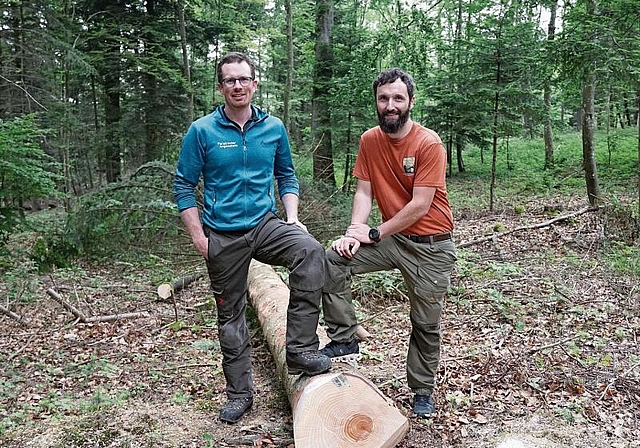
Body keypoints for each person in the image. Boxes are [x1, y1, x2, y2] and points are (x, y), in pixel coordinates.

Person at [174, 52, 331, 424]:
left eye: (244, 79)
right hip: (222, 236)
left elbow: (287, 176)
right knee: (230, 317)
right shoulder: (203, 131)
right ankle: (240, 395)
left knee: (310, 252)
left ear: (255, 83)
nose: (238, 86)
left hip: (264, 224)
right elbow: (183, 186)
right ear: (221, 87)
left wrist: (292, 218)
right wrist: (200, 238)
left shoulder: (273, 127)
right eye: (230, 80)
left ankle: (300, 350)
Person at [320, 68, 456, 418]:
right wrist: (355, 231)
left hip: (431, 245)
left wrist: (375, 232)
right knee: (331, 260)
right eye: (384, 98)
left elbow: (420, 205)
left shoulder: (429, 143)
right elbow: (364, 190)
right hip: (392, 239)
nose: (390, 105)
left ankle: (422, 389)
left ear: (410, 101)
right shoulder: (370, 141)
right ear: (376, 102)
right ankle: (345, 337)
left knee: (426, 323)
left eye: (398, 98)